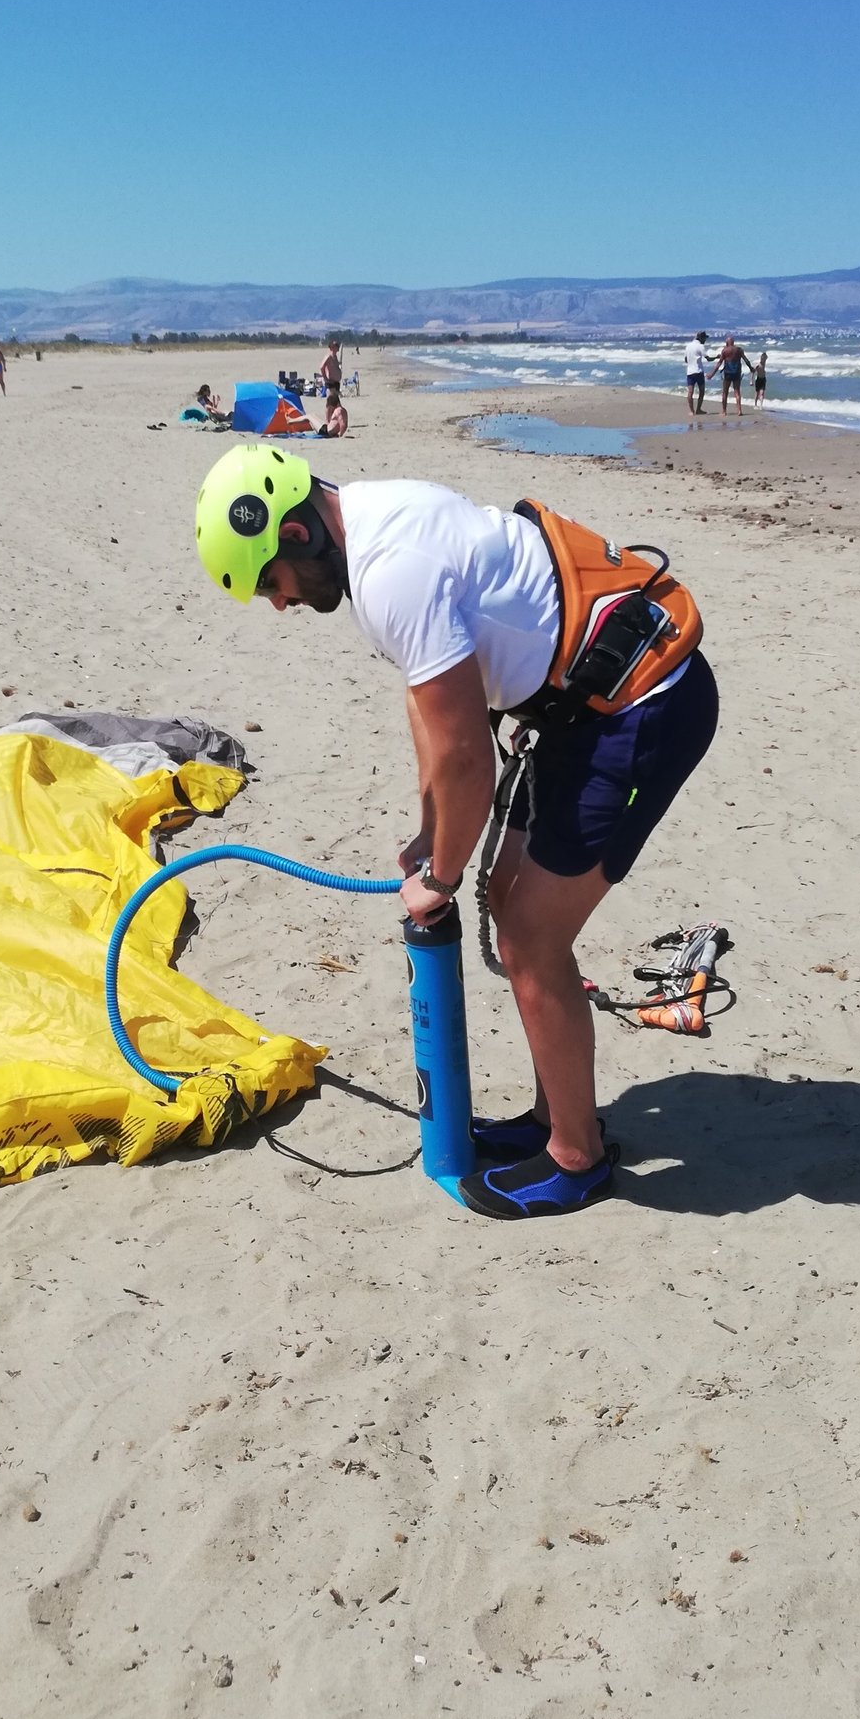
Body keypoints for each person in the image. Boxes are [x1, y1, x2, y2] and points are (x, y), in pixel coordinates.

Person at [194, 447, 719, 1221]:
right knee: (510, 906)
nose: (279, 604)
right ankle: (552, 1122)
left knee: (532, 939)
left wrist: (439, 877)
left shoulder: (388, 571)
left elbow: (469, 755)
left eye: (270, 582)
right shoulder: (377, 514)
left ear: (298, 535)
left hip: (643, 707)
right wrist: (431, 833)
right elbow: (437, 715)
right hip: (579, 705)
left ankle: (576, 1161)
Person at [709, 336, 753, 416]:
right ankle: (739, 410)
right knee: (737, 392)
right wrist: (751, 368)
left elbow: (719, 363)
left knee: (725, 392)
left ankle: (724, 411)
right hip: (737, 372)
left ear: (727, 342)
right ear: (733, 342)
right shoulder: (739, 350)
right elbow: (746, 360)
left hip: (728, 372)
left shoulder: (725, 350)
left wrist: (712, 374)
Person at [683, 331, 712, 417]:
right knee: (701, 391)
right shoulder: (700, 346)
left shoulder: (688, 346)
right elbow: (708, 358)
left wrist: (691, 361)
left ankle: (692, 411)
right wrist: (717, 357)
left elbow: (685, 359)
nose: (705, 340)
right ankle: (698, 409)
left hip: (690, 372)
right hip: (699, 371)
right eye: (705, 338)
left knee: (690, 392)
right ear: (701, 338)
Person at [319, 339, 342, 429]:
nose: (338, 348)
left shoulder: (335, 357)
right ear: (332, 347)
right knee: (330, 403)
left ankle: (334, 420)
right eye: (336, 346)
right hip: (330, 382)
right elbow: (321, 367)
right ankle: (327, 421)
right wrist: (325, 377)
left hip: (336, 382)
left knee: (335, 402)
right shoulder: (328, 356)